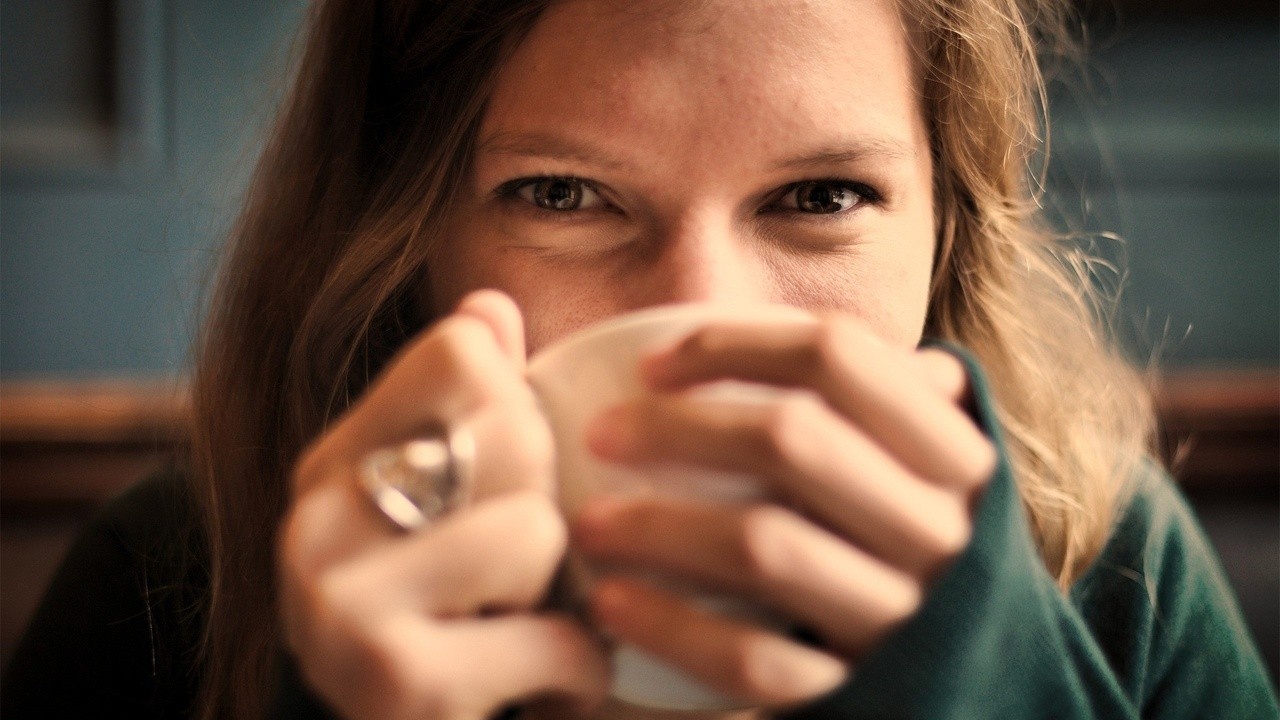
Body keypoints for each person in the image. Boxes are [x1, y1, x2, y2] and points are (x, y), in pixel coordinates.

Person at [3, 0, 1276, 718]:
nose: (702, 318)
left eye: (821, 197)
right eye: (561, 194)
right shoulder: (169, 586)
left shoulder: (1112, 571)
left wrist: (983, 684)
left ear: (946, 229)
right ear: (405, 238)